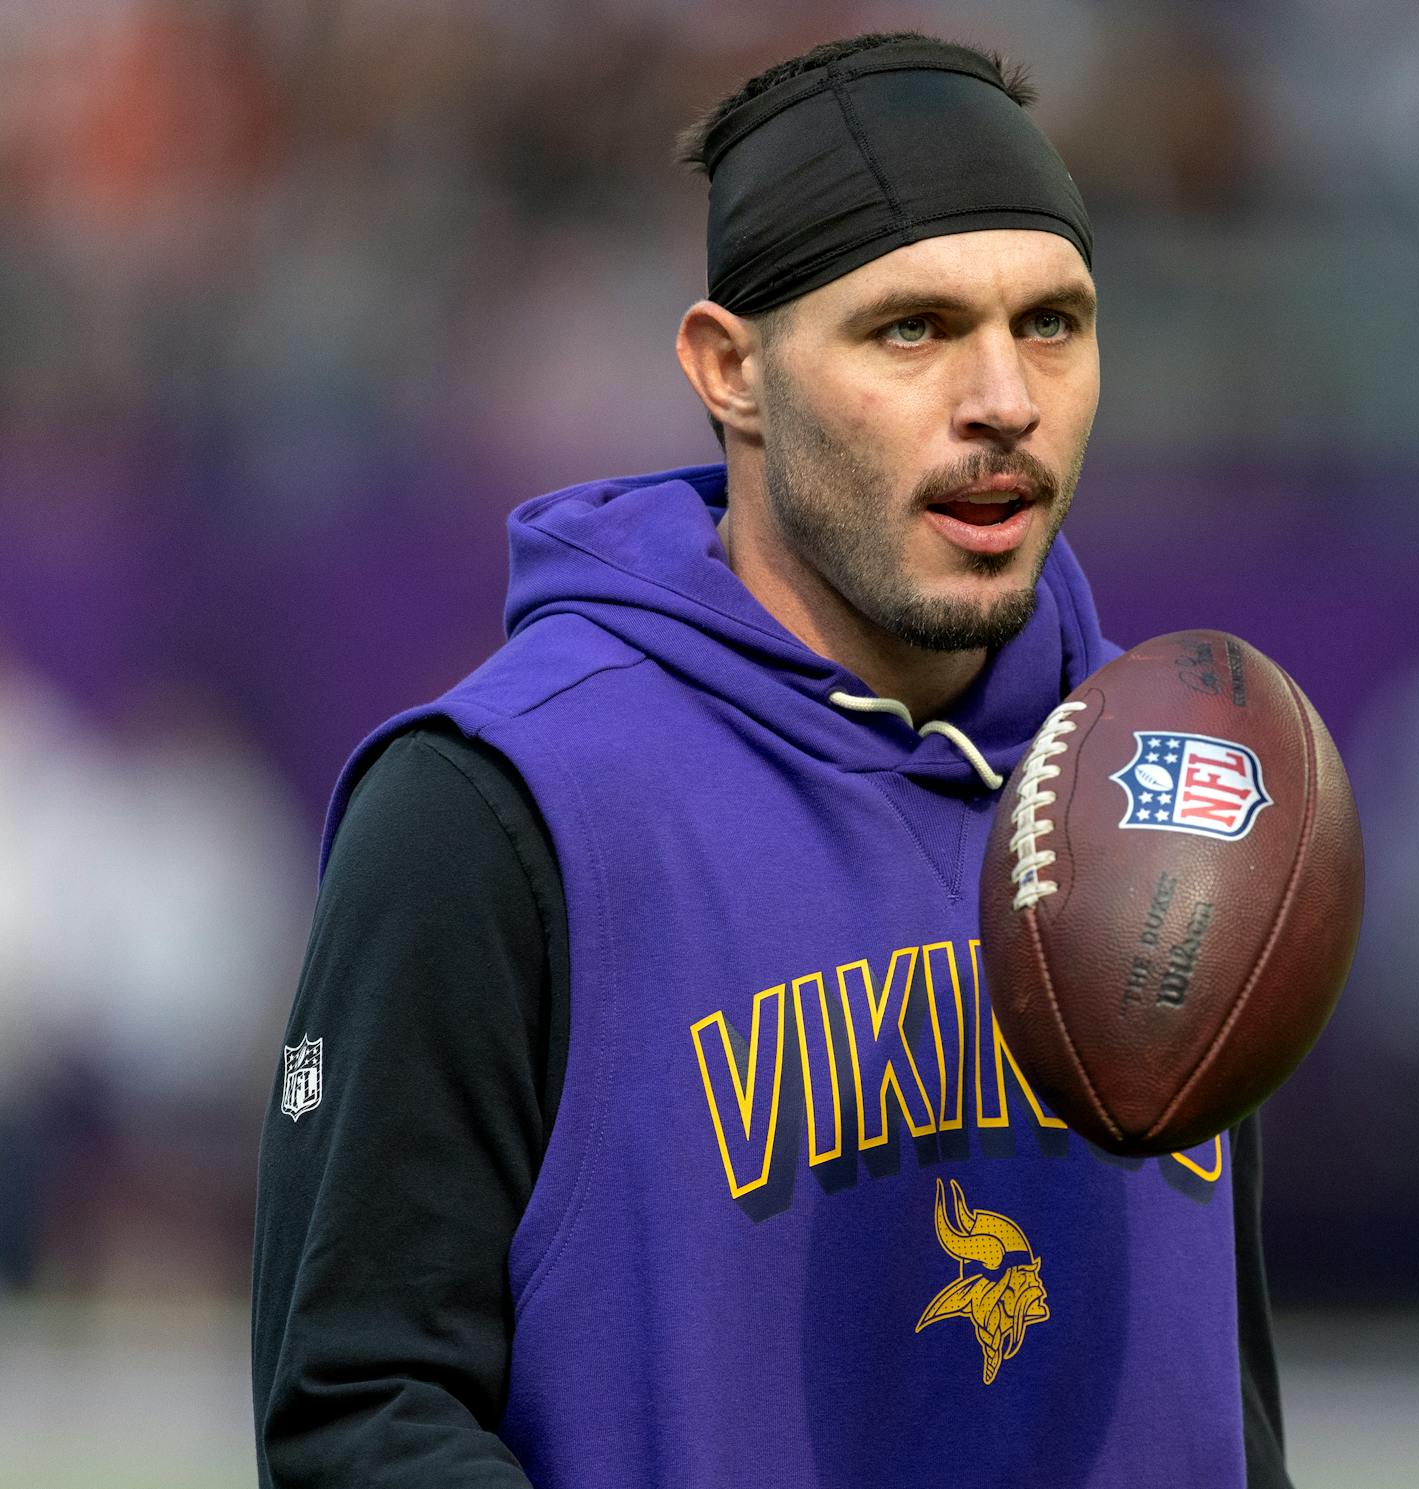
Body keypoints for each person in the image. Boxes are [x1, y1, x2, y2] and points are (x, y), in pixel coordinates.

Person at [251, 31, 1291, 1489]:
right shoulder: (497, 805)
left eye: (1052, 322)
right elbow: (358, 1411)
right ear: (730, 370)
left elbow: (1218, 1410)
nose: (1005, 397)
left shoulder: (1174, 792)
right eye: (912, 329)